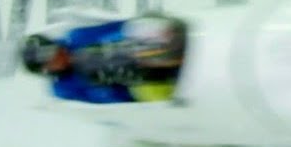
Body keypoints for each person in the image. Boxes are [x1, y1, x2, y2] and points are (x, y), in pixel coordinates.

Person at [20, 15, 186, 103]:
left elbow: (123, 26)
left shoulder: (77, 37)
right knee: (91, 63)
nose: (58, 55)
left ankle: (176, 48)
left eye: (53, 49)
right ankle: (172, 71)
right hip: (143, 89)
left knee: (98, 54)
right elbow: (106, 105)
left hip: (148, 47)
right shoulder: (64, 89)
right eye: (51, 59)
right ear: (46, 70)